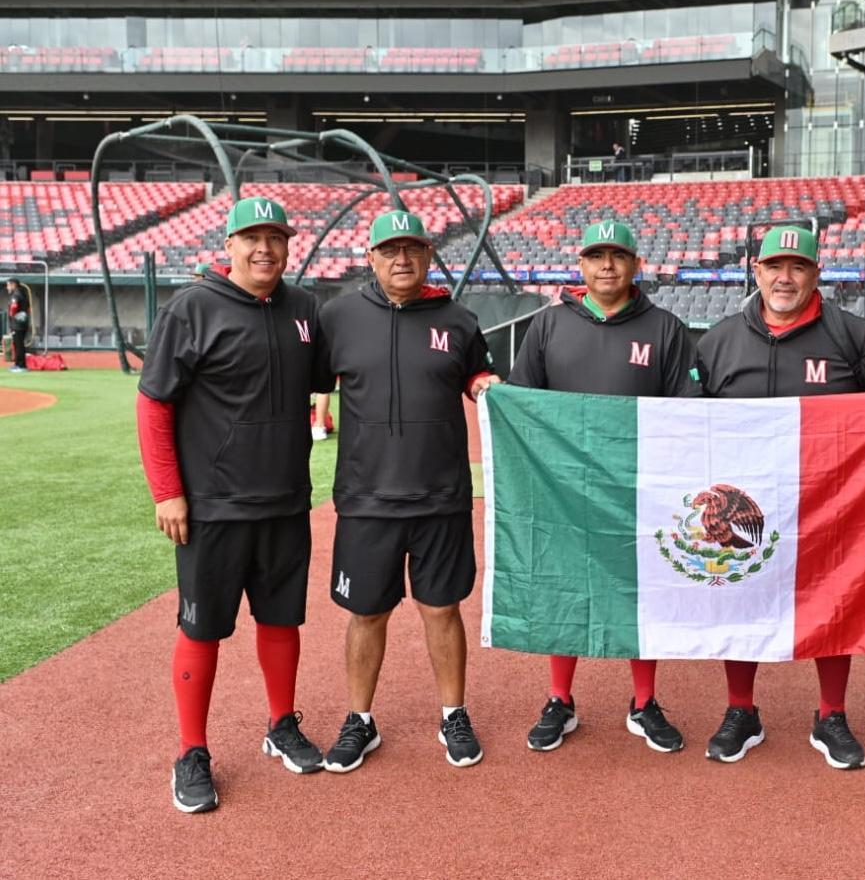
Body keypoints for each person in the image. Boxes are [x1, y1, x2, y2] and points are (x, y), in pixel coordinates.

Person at [136, 196, 327, 814]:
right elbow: (154, 403)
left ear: (288, 244)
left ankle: (280, 726)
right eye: (251, 237)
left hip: (284, 501)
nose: (264, 248)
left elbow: (332, 377)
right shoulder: (191, 308)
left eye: (275, 237)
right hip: (212, 507)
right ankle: (192, 751)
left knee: (282, 622)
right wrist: (167, 490)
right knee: (203, 629)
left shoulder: (303, 308)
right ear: (229, 245)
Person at [694, 224, 865, 767]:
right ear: (755, 271)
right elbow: (690, 422)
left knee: (835, 604)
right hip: (748, 507)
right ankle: (741, 711)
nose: (785, 277)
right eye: (774, 266)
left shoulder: (854, 337)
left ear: (815, 274)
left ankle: (831, 715)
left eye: (798, 266)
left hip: (830, 502)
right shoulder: (718, 340)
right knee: (740, 601)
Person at [317, 209, 498, 774]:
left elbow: (476, 379)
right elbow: (312, 381)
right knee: (366, 613)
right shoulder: (338, 318)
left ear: (427, 256)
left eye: (413, 249)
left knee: (442, 609)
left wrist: (482, 384)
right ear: (370, 258)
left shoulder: (460, 319)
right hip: (366, 498)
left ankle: (453, 713)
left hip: (442, 496)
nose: (402, 259)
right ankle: (359, 720)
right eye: (390, 250)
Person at [508, 219, 698, 753]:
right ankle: (560, 700)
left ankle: (643, 702)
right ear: (582, 265)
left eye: (618, 256)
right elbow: (523, 403)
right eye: (597, 256)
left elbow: (686, 409)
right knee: (563, 589)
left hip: (639, 488)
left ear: (637, 264)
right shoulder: (547, 325)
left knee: (641, 594)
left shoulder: (664, 327)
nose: (607, 265)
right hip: (563, 489)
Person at [6, 275, 30, 372]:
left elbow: (13, 307)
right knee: (18, 345)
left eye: (8, 285)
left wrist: (12, 316)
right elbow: (28, 308)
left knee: (18, 345)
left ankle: (21, 366)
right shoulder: (22, 293)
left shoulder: (16, 294)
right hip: (22, 324)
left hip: (18, 325)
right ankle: (18, 364)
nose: (7, 287)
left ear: (13, 285)